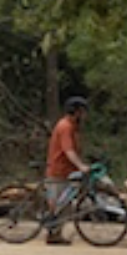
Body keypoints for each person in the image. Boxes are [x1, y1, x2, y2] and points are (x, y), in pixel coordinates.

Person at [42, 96, 90, 245]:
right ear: (76, 112)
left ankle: (55, 234)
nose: (84, 116)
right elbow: (68, 150)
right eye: (82, 112)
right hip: (58, 171)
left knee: (65, 205)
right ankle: (52, 234)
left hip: (67, 171)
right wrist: (81, 166)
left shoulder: (73, 127)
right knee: (57, 205)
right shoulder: (65, 126)